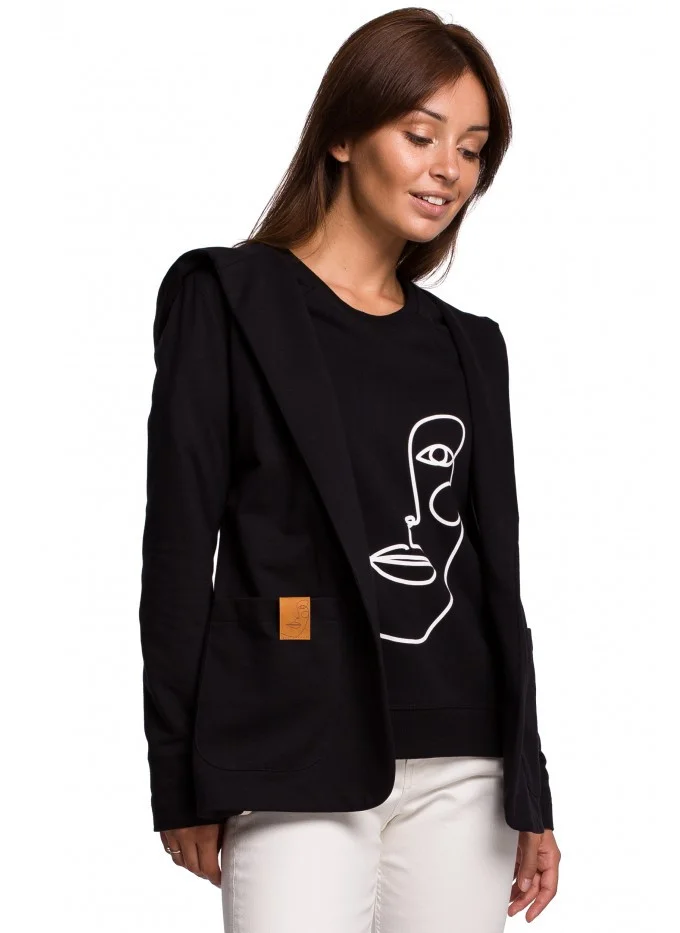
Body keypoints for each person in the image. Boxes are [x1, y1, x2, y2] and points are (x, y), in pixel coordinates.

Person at [138, 8, 561, 931]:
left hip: (466, 765)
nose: (448, 169)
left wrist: (530, 786)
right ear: (342, 135)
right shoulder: (227, 299)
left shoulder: (469, 346)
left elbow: (497, 581)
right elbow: (177, 551)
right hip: (293, 744)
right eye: (421, 135)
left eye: (472, 149)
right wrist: (180, 771)